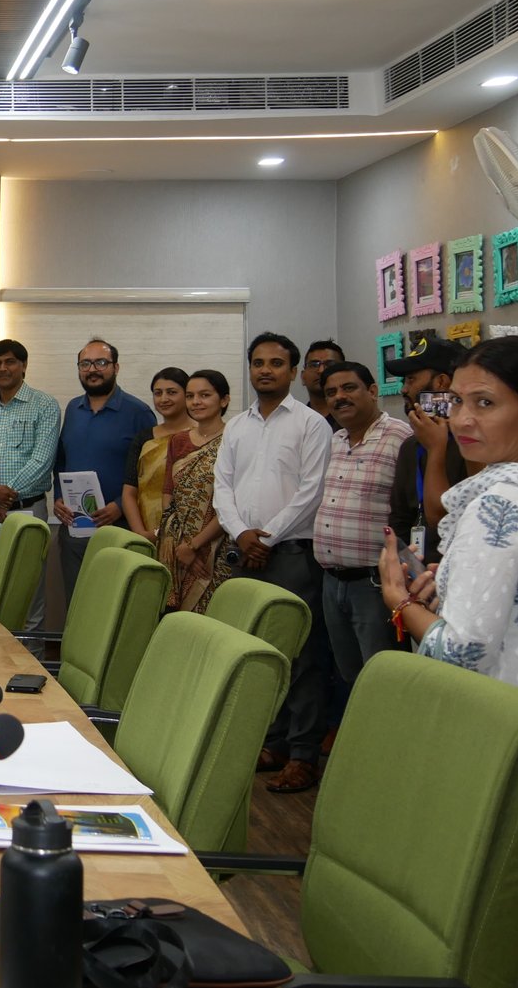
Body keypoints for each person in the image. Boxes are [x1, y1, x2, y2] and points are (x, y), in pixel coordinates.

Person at [377, 336, 518, 988]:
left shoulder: (499, 502)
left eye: (486, 403)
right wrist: (446, 590)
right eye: (456, 402)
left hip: (506, 729)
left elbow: (463, 650)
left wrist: (401, 603)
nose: (463, 420)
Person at [213, 332, 332, 794]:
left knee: (301, 657)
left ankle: (303, 755)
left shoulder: (311, 424)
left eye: (276, 363)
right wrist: (241, 533)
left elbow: (312, 490)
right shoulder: (237, 427)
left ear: (293, 371)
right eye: (258, 363)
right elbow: (222, 487)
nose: (266, 370)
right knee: (260, 653)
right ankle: (274, 742)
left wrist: (267, 537)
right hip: (245, 553)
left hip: (292, 555)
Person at [313, 361, 411, 688]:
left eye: (348, 388)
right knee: (350, 677)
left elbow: (410, 509)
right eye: (331, 392)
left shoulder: (400, 437)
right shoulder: (335, 440)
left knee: (384, 682)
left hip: (374, 585)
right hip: (332, 582)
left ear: (372, 390)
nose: (339, 397)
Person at [0, 339, 60, 623]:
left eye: (10, 362)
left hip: (27, 509)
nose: (3, 368)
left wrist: (6, 498)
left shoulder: (44, 405)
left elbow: (42, 461)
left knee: (28, 588)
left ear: (24, 365)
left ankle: (31, 651)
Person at [53, 339, 156, 600]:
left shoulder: (138, 412)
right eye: (85, 364)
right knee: (78, 602)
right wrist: (58, 498)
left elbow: (151, 475)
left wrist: (120, 505)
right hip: (75, 527)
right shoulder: (73, 409)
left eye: (101, 362)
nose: (92, 370)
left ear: (116, 367)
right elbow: (61, 461)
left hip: (120, 527)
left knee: (114, 604)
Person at [157, 370, 234, 613]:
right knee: (173, 618)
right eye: (190, 396)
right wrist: (179, 542)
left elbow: (233, 502)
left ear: (224, 400)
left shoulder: (234, 439)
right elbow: (168, 491)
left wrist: (194, 546)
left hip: (215, 546)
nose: (196, 402)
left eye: (205, 395)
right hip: (175, 547)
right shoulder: (178, 441)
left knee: (210, 616)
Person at [385, 336, 472, 548]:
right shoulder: (410, 445)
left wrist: (436, 450)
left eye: (411, 379)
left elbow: (455, 517)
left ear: (441, 382)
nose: (404, 390)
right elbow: (400, 517)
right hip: (416, 562)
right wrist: (403, 559)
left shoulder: (474, 444)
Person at [122, 367, 192, 542]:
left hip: (192, 534)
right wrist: (141, 535)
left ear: (187, 395)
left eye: (172, 392)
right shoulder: (144, 438)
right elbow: (129, 492)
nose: (164, 399)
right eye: (158, 393)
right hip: (146, 532)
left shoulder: (201, 436)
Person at [300, 339, 347, 431]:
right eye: (314, 365)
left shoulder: (355, 420)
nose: (321, 370)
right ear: (303, 377)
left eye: (330, 364)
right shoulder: (294, 420)